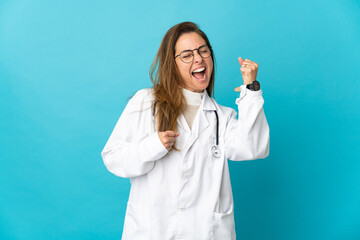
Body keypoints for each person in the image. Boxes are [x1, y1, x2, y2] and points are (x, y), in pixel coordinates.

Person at [101, 21, 270, 240]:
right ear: (172, 64)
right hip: (153, 231)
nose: (198, 58)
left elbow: (253, 147)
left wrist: (251, 89)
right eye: (187, 55)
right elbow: (113, 157)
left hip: (204, 232)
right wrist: (151, 147)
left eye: (203, 51)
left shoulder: (222, 116)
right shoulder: (146, 102)